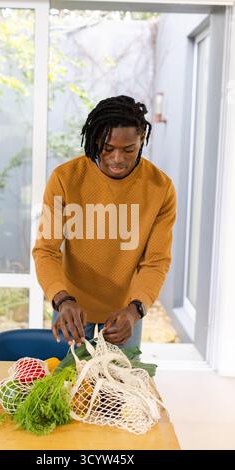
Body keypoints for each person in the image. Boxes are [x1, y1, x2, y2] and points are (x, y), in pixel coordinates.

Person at [33, 95, 176, 348]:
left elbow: (156, 262)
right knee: (65, 384)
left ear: (142, 138)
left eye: (128, 149)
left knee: (121, 385)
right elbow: (46, 250)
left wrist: (135, 310)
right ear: (95, 139)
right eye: (107, 148)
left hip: (125, 314)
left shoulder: (160, 188)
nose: (117, 158)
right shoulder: (65, 179)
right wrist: (62, 299)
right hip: (70, 309)